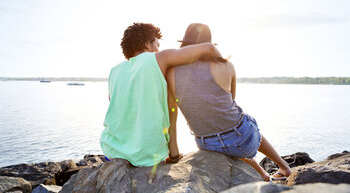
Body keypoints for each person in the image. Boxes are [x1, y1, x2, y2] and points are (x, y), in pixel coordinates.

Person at [166, 23, 292, 181]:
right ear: (209, 44)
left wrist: (174, 152)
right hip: (241, 138)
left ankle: (262, 174)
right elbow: (231, 103)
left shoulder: (171, 73)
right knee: (240, 123)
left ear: (184, 45)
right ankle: (284, 166)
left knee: (229, 133)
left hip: (206, 144)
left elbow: (172, 114)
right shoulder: (226, 66)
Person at [100, 22, 223, 167]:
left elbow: (113, 102)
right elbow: (209, 47)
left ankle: (169, 150)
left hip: (111, 150)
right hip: (147, 154)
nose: (159, 48)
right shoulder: (158, 58)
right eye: (157, 44)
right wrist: (222, 63)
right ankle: (174, 151)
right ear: (147, 44)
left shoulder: (115, 70)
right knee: (171, 91)